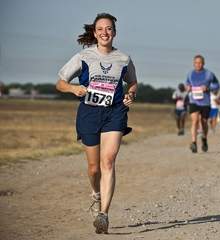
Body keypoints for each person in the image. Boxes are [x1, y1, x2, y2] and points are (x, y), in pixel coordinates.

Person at [56, 13, 138, 234]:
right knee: (94, 169)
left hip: (115, 112)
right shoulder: (83, 56)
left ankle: (104, 214)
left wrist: (131, 94)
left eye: (109, 28)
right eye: (100, 29)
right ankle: (96, 194)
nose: (105, 32)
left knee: (108, 162)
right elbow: (60, 83)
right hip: (89, 114)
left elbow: (132, 82)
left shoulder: (124, 58)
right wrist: (74, 88)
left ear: (114, 32)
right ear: (94, 32)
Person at [185, 55, 219, 153]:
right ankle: (194, 143)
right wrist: (188, 87)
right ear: (193, 63)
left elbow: (216, 85)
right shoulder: (190, 74)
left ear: (203, 63)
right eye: (196, 62)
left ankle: (204, 139)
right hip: (193, 101)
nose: (198, 64)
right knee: (195, 121)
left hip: (205, 102)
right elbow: (187, 83)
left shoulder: (209, 74)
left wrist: (208, 88)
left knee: (204, 122)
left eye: (200, 62)